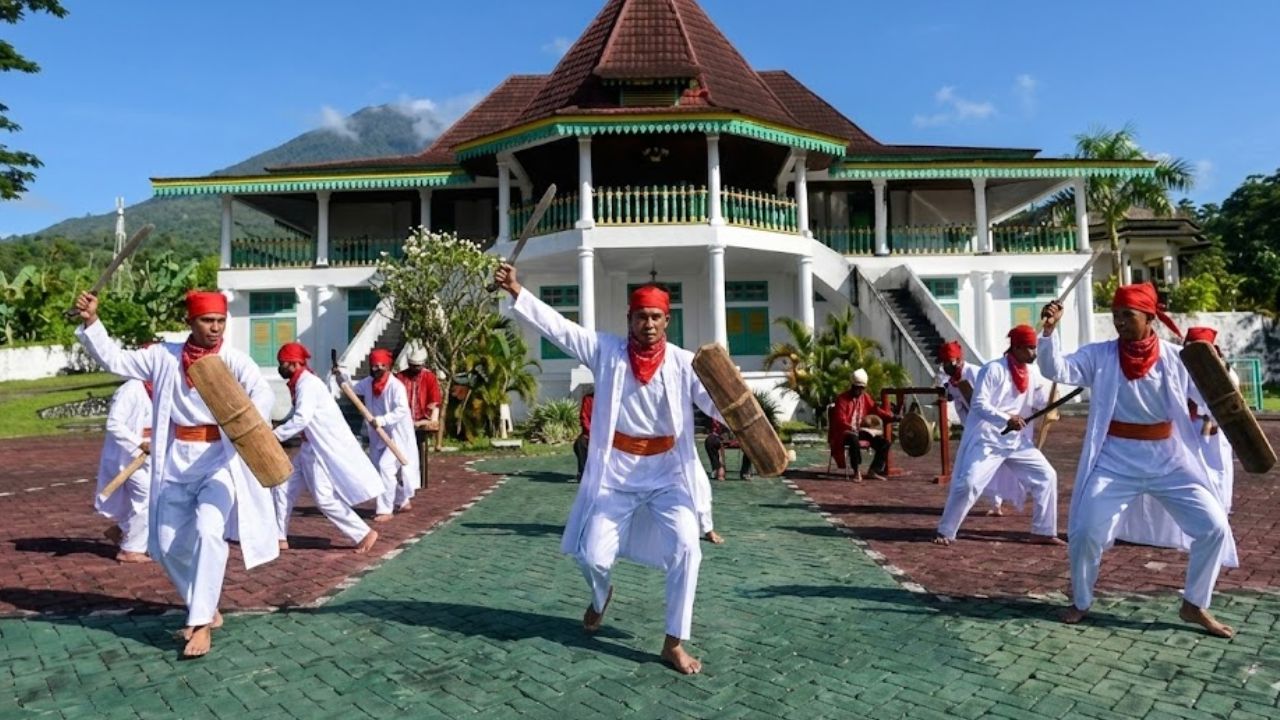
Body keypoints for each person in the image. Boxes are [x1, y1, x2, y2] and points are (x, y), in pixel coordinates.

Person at [494, 261, 719, 675]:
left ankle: (674, 641)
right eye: (641, 316)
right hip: (616, 475)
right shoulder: (606, 351)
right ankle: (601, 597)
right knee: (592, 555)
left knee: (689, 547)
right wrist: (516, 291)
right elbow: (560, 329)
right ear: (629, 319)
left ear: (667, 320)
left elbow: (714, 404)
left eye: (655, 317)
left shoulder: (685, 363)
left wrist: (734, 405)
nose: (648, 324)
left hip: (669, 474)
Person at [74, 289, 278, 659]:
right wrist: (92, 321)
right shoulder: (163, 356)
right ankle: (205, 605)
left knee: (208, 530)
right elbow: (116, 360)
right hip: (176, 462)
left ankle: (199, 623)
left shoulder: (235, 360)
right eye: (207, 321)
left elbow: (262, 396)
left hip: (220, 463)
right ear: (191, 322)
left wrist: (249, 420)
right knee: (164, 545)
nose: (215, 329)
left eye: (220, 321)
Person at [1040, 285, 1237, 637]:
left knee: (1214, 527)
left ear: (1149, 317)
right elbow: (1057, 368)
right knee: (1085, 532)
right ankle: (1081, 600)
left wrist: (1216, 370)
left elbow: (1212, 395)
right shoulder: (1100, 355)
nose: (1118, 322)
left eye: (1126, 315)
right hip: (1115, 459)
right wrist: (1050, 332)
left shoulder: (1178, 357)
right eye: (1115, 315)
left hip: (1169, 460)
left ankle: (1194, 604)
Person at [934, 326, 1061, 546]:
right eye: (1030, 348)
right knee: (970, 483)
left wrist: (1051, 402)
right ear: (1017, 347)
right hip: (988, 440)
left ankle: (1043, 530)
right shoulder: (992, 369)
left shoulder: (1032, 372)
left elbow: (1039, 401)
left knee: (1047, 476)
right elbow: (979, 404)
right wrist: (1006, 418)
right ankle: (946, 530)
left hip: (1017, 441)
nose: (1034, 353)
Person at [271, 342, 381, 554]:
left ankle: (363, 532)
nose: (280, 367)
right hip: (307, 448)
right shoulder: (301, 383)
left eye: (282, 363)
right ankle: (279, 537)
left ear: (293, 364)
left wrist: (275, 435)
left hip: (317, 450)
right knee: (282, 488)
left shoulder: (308, 384)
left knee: (324, 499)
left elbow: (302, 418)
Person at [332, 348, 420, 523]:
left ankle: (385, 509)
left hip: (396, 435)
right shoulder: (368, 382)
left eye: (381, 366)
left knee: (386, 467)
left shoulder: (396, 386)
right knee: (378, 469)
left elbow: (402, 410)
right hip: (378, 435)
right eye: (374, 366)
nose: (377, 369)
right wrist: (341, 375)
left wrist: (383, 420)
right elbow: (353, 389)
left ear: (388, 367)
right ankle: (402, 499)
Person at [936, 341, 1019, 516]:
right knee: (966, 467)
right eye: (943, 362)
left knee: (994, 466)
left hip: (992, 427)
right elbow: (958, 402)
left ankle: (996, 503)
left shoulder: (976, 372)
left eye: (948, 361)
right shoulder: (951, 381)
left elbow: (986, 401)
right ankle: (963, 503)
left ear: (958, 360)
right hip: (973, 429)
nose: (945, 366)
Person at [95, 377, 153, 563]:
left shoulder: (164, 386)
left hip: (151, 456)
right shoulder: (131, 389)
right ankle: (130, 550)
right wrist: (139, 443)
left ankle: (122, 530)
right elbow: (114, 424)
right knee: (147, 497)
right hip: (128, 456)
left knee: (160, 497)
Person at [827, 369, 896, 481]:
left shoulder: (865, 397)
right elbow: (840, 420)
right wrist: (851, 428)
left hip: (858, 431)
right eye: (857, 387)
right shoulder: (842, 399)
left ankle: (873, 471)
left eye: (861, 388)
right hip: (843, 433)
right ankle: (856, 471)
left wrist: (891, 417)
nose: (859, 390)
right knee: (853, 439)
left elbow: (876, 410)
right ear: (852, 386)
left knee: (884, 443)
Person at [397, 346, 442, 486]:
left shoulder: (429, 377)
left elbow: (434, 401)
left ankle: (418, 481)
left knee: (418, 450)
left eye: (418, 366)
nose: (415, 368)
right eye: (412, 366)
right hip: (402, 419)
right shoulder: (400, 377)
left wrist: (432, 420)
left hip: (421, 419)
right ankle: (404, 479)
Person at [572, 387, 594, 482]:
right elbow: (584, 417)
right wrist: (591, 433)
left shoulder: (612, 399)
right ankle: (583, 472)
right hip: (590, 434)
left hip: (607, 435)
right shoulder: (588, 399)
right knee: (580, 443)